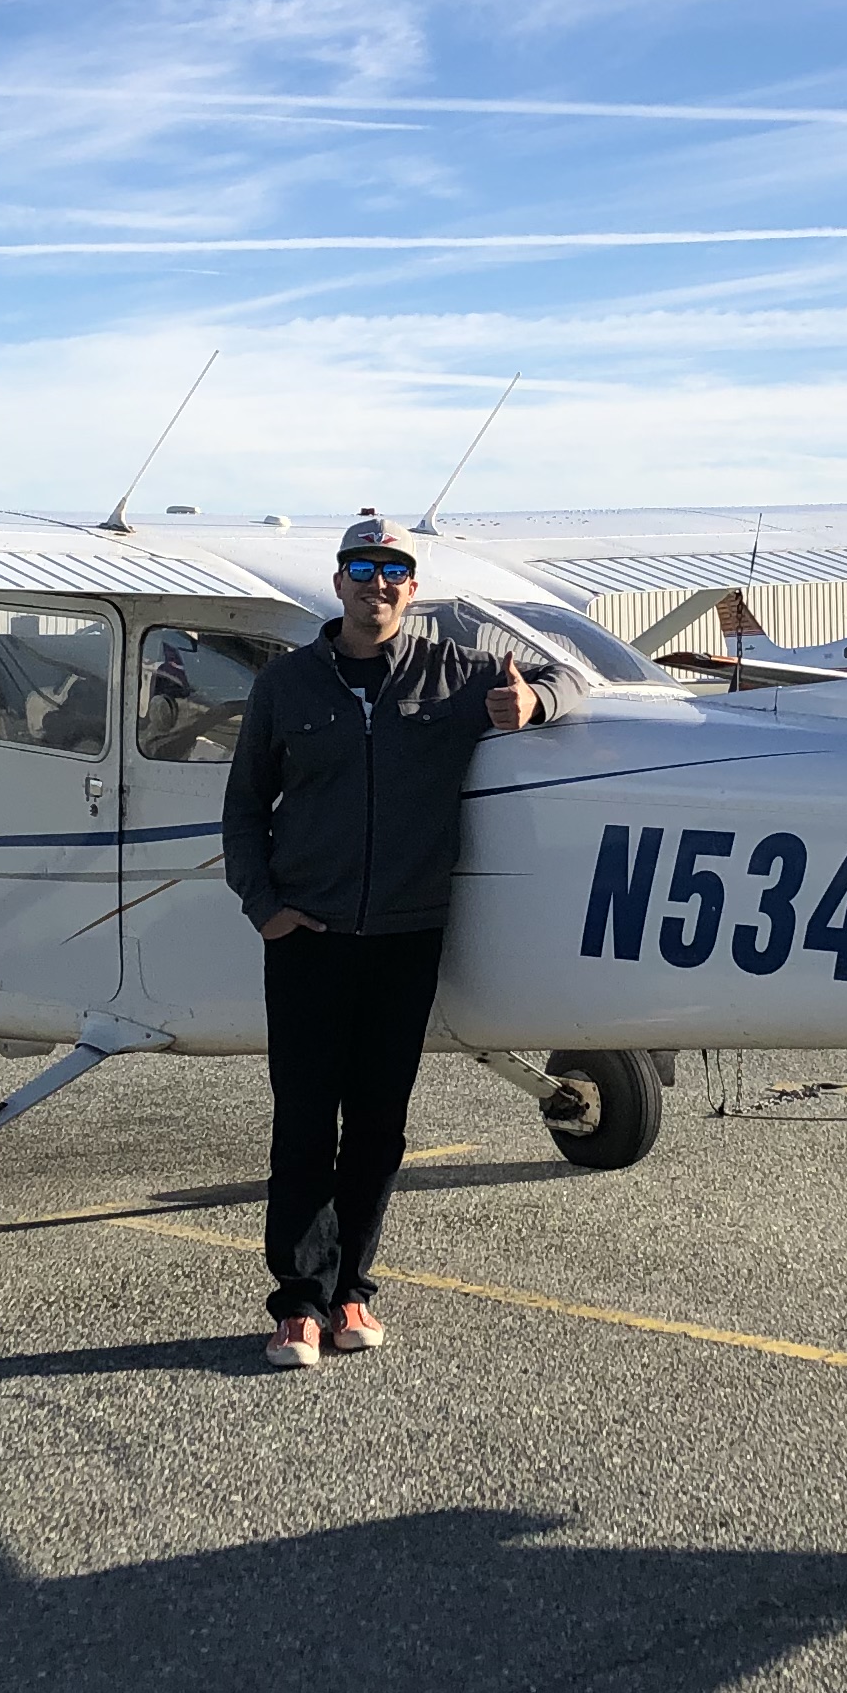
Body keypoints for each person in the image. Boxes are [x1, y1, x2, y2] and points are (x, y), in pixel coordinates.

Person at [221, 516, 568, 1369]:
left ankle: (352, 1292)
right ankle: (297, 1301)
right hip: (307, 936)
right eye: (363, 567)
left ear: (413, 589)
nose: (379, 583)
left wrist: (536, 700)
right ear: (338, 582)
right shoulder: (288, 686)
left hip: (406, 939)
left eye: (395, 571)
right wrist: (263, 903)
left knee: (379, 1126)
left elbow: (561, 671)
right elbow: (241, 807)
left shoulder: (455, 675)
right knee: (304, 1122)